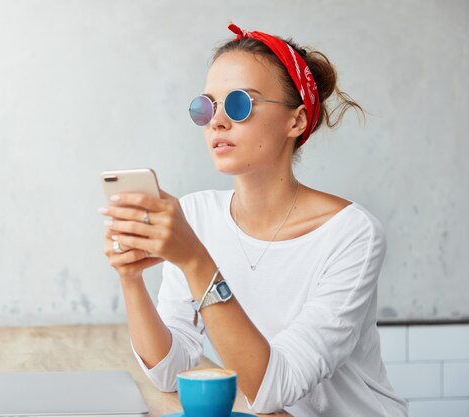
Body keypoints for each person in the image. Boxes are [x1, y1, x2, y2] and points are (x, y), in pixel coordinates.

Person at [98, 23, 407, 417]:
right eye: (205, 107)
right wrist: (131, 278)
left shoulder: (352, 234)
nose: (217, 122)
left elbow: (273, 388)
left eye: (240, 104)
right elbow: (171, 374)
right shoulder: (195, 216)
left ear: (295, 122)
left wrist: (195, 260)